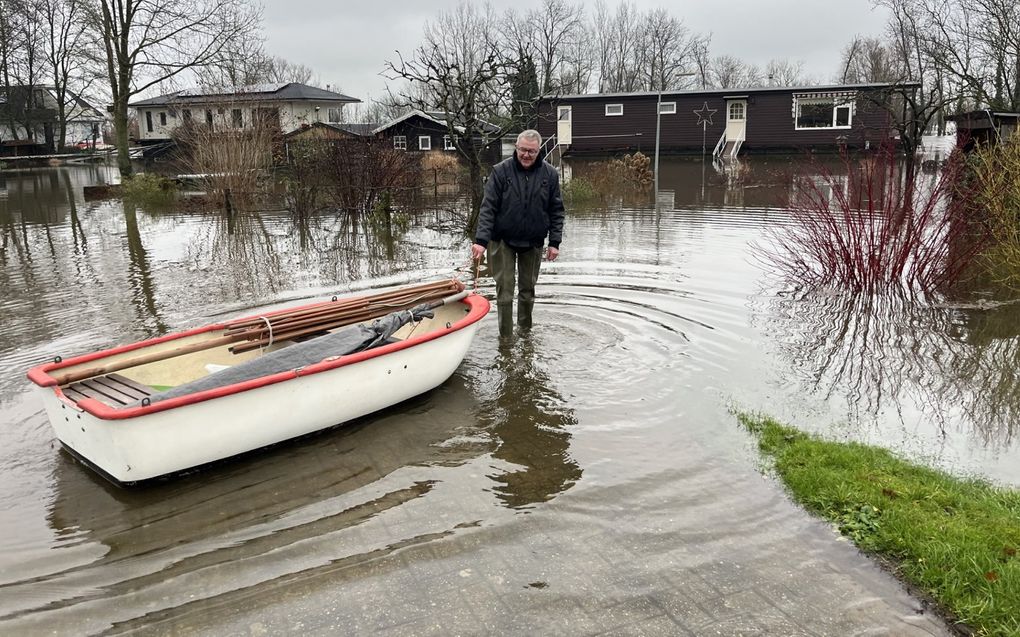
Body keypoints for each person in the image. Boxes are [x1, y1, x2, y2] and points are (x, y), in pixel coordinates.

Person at [471, 129, 565, 337]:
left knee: (527, 291)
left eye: (531, 151)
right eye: (523, 150)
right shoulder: (500, 171)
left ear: (538, 150)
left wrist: (554, 242)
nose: (526, 155)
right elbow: (488, 208)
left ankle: (525, 335)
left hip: (533, 242)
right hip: (502, 241)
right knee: (504, 293)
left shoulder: (549, 174)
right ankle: (505, 339)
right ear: (516, 148)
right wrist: (481, 241)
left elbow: (556, 210)